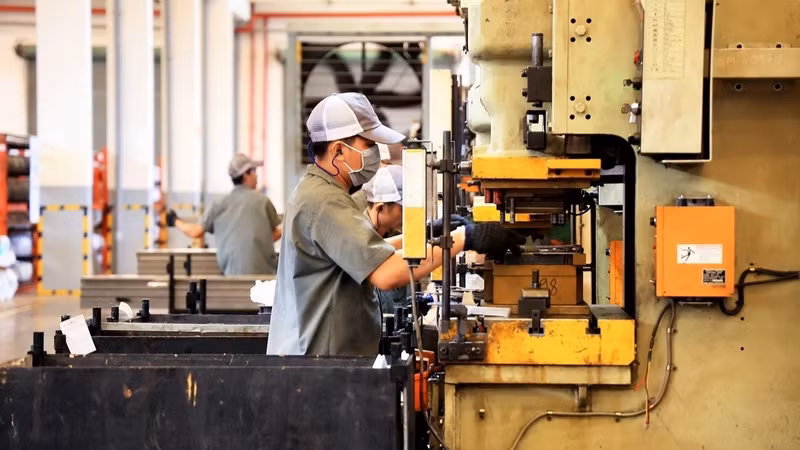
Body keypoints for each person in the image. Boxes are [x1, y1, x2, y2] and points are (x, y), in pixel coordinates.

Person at [266, 92, 524, 356]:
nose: (374, 154)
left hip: (322, 356)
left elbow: (363, 253)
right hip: (319, 363)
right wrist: (463, 239)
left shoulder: (319, 191)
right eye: (368, 144)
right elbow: (386, 274)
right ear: (338, 150)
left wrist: (426, 232)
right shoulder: (325, 201)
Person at [166, 154, 282, 275]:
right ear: (245, 175)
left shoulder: (218, 204)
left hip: (231, 276)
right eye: (253, 171)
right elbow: (273, 235)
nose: (256, 175)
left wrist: (174, 220)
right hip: (264, 279)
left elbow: (195, 231)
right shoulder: (263, 201)